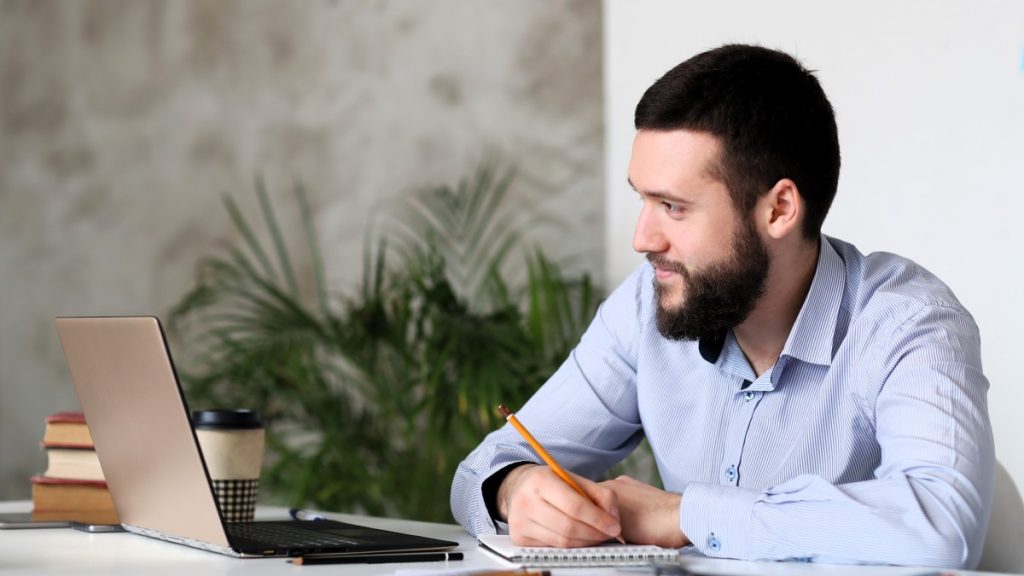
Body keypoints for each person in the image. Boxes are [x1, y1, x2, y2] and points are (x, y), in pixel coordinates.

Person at [449, 44, 994, 569]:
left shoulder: (907, 322)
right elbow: (482, 470)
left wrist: (686, 514)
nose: (643, 238)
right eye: (643, 198)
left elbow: (941, 526)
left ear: (779, 209)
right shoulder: (648, 304)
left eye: (673, 207)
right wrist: (517, 490)